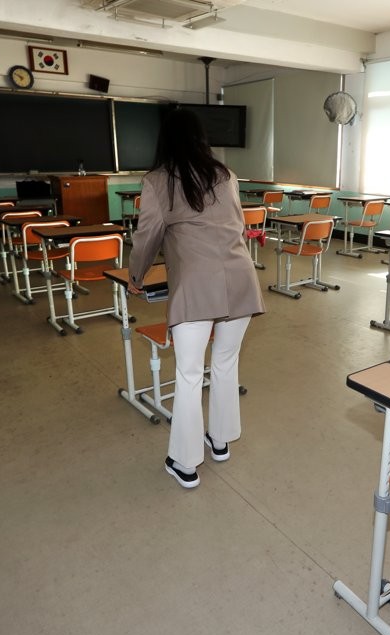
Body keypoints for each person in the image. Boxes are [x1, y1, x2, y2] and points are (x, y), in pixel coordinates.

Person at [128, 108, 266, 489]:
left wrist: (136, 277)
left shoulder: (157, 180)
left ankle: (185, 463)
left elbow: (147, 237)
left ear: (165, 140)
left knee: (189, 375)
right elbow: (237, 224)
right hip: (240, 279)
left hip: (194, 286)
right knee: (225, 362)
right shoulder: (225, 175)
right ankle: (220, 442)